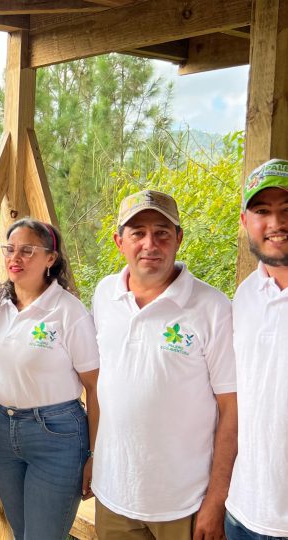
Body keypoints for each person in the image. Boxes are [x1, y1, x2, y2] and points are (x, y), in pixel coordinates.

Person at [91, 189, 237, 540]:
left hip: (184, 503)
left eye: (162, 232)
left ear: (179, 239)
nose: (150, 244)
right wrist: (93, 455)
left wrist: (217, 500)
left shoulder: (212, 308)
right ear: (118, 241)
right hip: (113, 494)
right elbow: (103, 386)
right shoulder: (104, 295)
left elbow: (232, 408)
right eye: (137, 233)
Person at [0, 218, 99, 540]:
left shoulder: (68, 312)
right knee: (22, 533)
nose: (15, 258)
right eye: (10, 249)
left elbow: (94, 387)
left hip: (57, 435)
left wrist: (94, 455)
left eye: (28, 251)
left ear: (51, 258)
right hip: (2, 432)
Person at [225, 159, 288, 540]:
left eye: (286, 211)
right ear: (244, 222)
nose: (276, 223)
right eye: (262, 211)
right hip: (244, 510)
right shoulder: (244, 296)